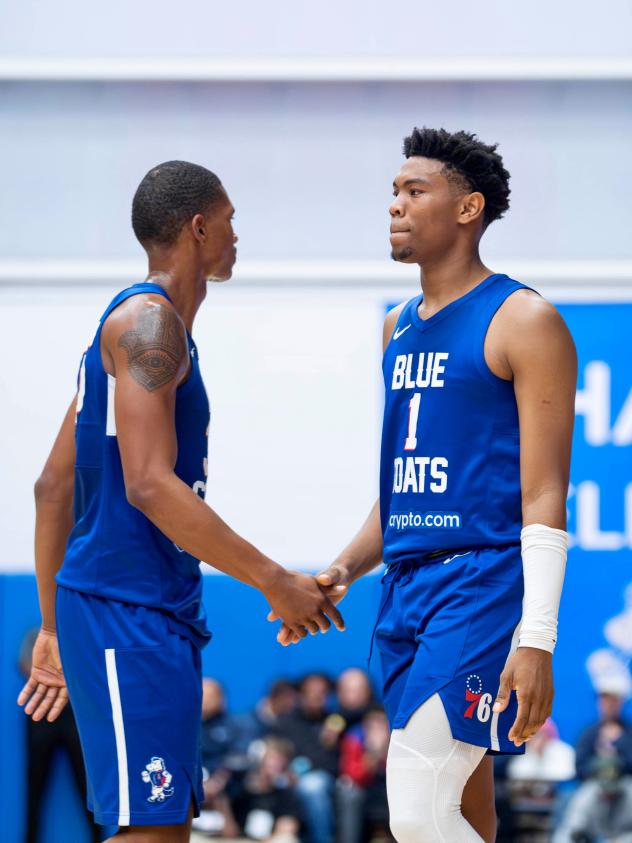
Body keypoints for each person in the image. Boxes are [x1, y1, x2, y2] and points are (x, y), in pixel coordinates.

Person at [17, 160, 345, 843]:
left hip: (141, 608)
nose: (235, 234)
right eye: (229, 220)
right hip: (124, 606)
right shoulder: (148, 324)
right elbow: (147, 482)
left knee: (162, 826)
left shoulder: (144, 326)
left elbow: (53, 485)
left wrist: (51, 626)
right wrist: (274, 579)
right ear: (199, 227)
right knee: (152, 829)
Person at [273, 128, 577, 842]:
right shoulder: (395, 329)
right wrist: (344, 569)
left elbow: (543, 495)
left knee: (413, 807)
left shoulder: (523, 318)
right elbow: (404, 489)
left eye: (415, 191)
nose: (395, 206)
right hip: (406, 589)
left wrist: (536, 638)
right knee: (464, 808)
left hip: (481, 582)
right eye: (393, 192)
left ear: (468, 208)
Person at [19, 628, 101, 843]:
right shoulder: (35, 637)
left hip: (75, 715)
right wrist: (43, 672)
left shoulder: (79, 636)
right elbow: (23, 664)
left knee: (87, 784)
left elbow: (93, 669)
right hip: (39, 714)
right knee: (35, 784)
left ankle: (98, 838)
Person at [274, 673, 341, 843]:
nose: (316, 696)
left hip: (324, 778)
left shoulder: (334, 721)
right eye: (311, 691)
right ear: (301, 694)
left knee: (312, 785)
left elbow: (331, 762)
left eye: (322, 692)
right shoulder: (286, 721)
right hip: (287, 777)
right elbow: (280, 753)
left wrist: (301, 767)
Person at [575, 677, 632, 782]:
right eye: (605, 700)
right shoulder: (589, 733)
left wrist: (619, 742)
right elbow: (579, 768)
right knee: (581, 798)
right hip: (595, 784)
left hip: (625, 783)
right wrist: (600, 763)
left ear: (621, 702)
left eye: (613, 700)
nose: (609, 705)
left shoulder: (629, 732)